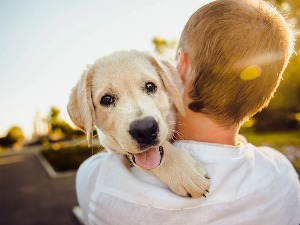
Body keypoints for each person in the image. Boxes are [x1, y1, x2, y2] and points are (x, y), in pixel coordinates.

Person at [76, 0, 300, 224]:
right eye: (108, 99)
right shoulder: (282, 174)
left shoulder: (97, 181)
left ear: (180, 65)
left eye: (150, 87)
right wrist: (166, 157)